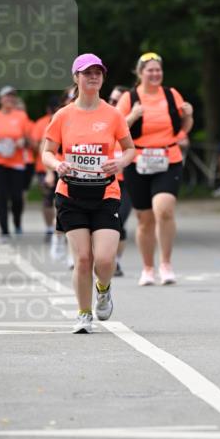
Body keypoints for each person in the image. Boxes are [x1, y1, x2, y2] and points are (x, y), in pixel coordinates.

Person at [42, 54, 135, 334]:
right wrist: (58, 164)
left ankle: (103, 289)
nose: (92, 77)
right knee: (83, 259)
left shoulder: (113, 114)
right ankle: (84, 314)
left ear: (103, 78)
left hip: (106, 192)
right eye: (86, 73)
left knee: (105, 259)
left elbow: (130, 149)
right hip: (70, 194)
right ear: (76, 78)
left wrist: (119, 162)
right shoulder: (64, 115)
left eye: (97, 72)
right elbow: (46, 152)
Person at [117, 52, 194, 285]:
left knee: (164, 209)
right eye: (149, 70)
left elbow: (183, 126)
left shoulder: (171, 94)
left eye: (158, 69)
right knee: (145, 218)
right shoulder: (129, 98)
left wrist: (188, 118)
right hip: (137, 161)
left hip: (168, 158)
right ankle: (148, 268)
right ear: (140, 73)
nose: (155, 74)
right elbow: (117, 129)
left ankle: (166, 264)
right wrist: (132, 116)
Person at [0, 86, 32, 240]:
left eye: (12, 96)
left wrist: (23, 141)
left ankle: (17, 222)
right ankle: (4, 230)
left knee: (17, 197)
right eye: (6, 96)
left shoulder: (21, 116)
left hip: (16, 162)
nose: (9, 99)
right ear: (0, 99)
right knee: (1, 195)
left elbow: (29, 140)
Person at [107, 84, 133, 276]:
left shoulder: (134, 123)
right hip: (104, 181)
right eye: (111, 100)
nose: (113, 104)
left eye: (118, 101)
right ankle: (103, 258)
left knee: (119, 220)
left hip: (128, 181)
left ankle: (115, 262)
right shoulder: (101, 120)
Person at [32, 97, 60, 242]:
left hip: (62, 166)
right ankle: (50, 228)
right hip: (44, 166)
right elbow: (38, 145)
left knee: (60, 200)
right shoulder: (43, 123)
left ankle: (59, 229)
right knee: (48, 199)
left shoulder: (66, 117)